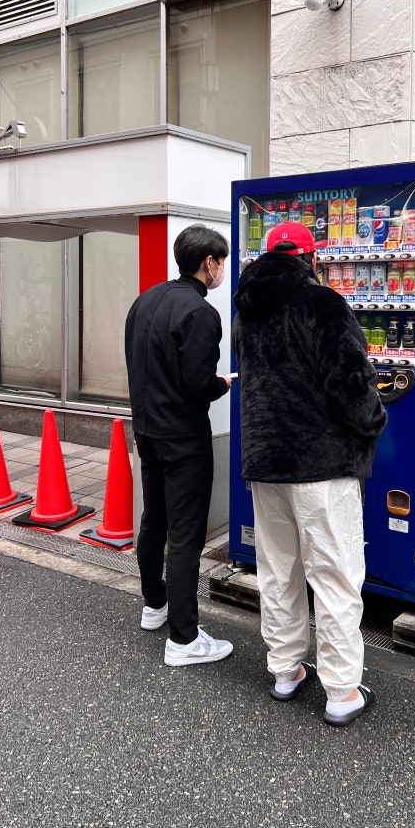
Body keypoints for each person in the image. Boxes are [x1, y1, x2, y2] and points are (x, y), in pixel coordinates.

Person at [232, 220, 387, 726]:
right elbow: (349, 380)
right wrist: (373, 423)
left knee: (279, 570)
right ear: (311, 258)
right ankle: (341, 691)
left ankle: (284, 670)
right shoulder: (322, 303)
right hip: (320, 463)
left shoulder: (246, 308)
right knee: (335, 574)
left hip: (265, 461)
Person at [125, 224, 233, 667]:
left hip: (147, 432)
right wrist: (222, 383)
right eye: (221, 261)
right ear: (209, 263)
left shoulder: (144, 300)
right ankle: (185, 639)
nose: (223, 268)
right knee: (186, 535)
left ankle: (156, 605)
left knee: (155, 520)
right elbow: (198, 385)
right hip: (184, 438)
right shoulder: (201, 314)